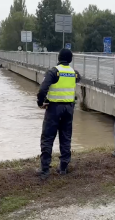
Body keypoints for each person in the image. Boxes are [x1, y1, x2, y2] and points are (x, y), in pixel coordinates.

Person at [36, 48, 81, 180]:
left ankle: (44, 170)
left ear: (59, 58)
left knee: (48, 138)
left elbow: (43, 89)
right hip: (69, 109)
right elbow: (77, 81)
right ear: (70, 59)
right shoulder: (75, 73)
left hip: (54, 108)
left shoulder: (54, 72)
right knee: (66, 137)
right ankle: (63, 167)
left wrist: (40, 102)